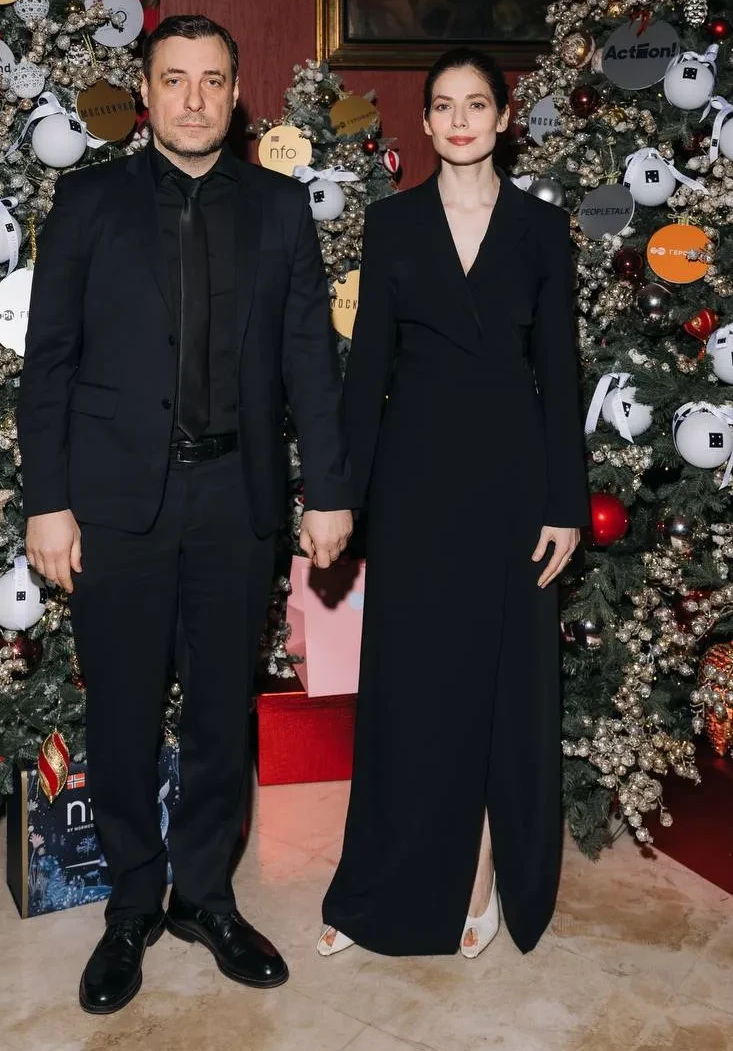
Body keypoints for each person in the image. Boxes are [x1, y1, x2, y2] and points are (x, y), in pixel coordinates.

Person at [18, 14, 353, 1014]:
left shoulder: (280, 208)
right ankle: (131, 905)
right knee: (121, 713)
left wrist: (328, 488)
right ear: (145, 90)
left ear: (236, 94)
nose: (194, 98)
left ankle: (204, 894)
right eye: (175, 79)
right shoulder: (87, 202)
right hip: (115, 507)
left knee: (217, 713)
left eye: (212, 80)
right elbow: (49, 365)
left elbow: (310, 359)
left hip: (235, 503)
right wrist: (48, 502)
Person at [318, 48, 589, 960]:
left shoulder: (540, 229)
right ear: (427, 121)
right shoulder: (391, 223)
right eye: (443, 105)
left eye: (477, 103)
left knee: (496, 686)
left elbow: (558, 371)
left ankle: (479, 875)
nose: (461, 120)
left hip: (513, 481)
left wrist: (564, 503)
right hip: (416, 480)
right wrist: (338, 494)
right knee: (411, 685)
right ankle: (377, 883)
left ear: (503, 117)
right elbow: (366, 371)